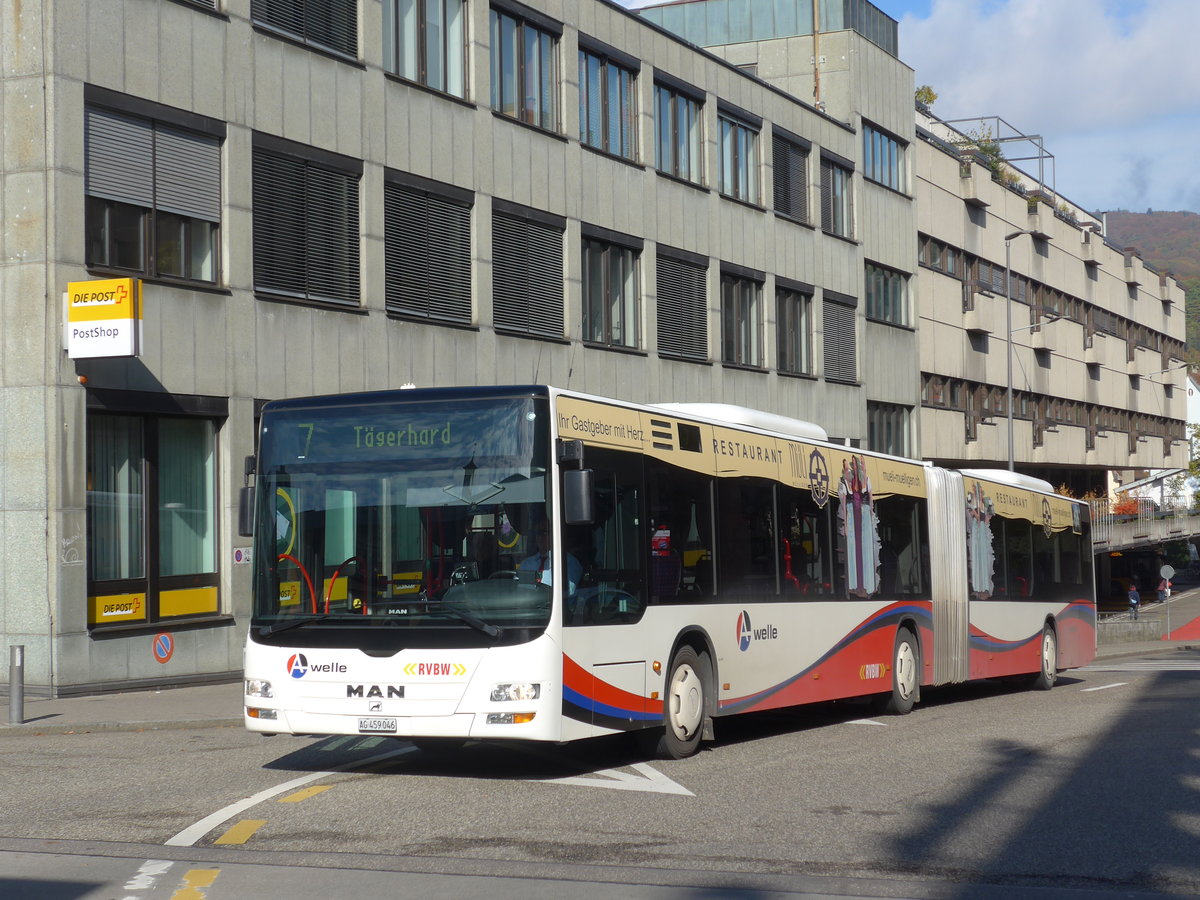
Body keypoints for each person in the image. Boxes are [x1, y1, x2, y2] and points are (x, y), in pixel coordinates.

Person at [518, 520, 582, 593]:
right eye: (538, 533)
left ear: (555, 534)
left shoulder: (568, 562)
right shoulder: (526, 563)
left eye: (544, 532)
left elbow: (566, 593)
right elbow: (518, 590)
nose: (540, 537)